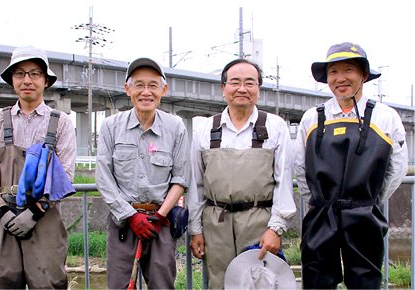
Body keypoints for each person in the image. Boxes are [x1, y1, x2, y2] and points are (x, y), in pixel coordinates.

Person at [294, 42, 408, 289]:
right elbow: (301, 168)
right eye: (333, 72)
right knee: (316, 280)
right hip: (321, 214)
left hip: (364, 214)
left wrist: (369, 201)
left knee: (366, 281)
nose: (340, 78)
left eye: (349, 70)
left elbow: (396, 169)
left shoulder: (385, 116)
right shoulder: (312, 117)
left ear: (363, 75)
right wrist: (318, 201)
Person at [188, 58, 297, 289]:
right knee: (219, 283)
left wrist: (275, 228)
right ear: (223, 88)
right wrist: (195, 230)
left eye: (250, 83)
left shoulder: (276, 127)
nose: (242, 89)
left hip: (259, 222)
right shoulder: (205, 129)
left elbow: (283, 182)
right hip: (216, 223)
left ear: (258, 89)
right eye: (234, 82)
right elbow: (196, 184)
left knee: (259, 283)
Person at [0, 45, 76, 289]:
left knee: (48, 283)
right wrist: (2, 212)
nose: (27, 80)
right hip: (4, 218)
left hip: (44, 217)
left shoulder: (61, 122)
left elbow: (66, 175)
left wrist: (35, 212)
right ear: (12, 79)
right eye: (20, 73)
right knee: (4, 281)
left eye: (34, 73)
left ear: (45, 80)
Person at [96, 57, 191, 289]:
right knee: (120, 286)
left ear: (163, 90)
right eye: (138, 85)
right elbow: (104, 178)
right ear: (127, 89)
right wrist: (131, 216)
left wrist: (160, 216)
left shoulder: (175, 127)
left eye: (153, 85)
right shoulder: (110, 126)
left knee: (162, 285)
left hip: (161, 223)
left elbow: (180, 178)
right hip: (122, 223)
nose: (145, 92)